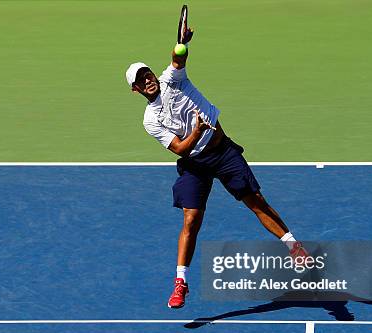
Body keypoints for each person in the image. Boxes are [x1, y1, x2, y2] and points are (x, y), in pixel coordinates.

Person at [126, 27, 308, 309]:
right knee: (191, 220)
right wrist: (197, 130)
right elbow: (180, 148)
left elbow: (177, 59)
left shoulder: (172, 80)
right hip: (195, 163)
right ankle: (180, 282)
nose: (147, 79)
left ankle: (293, 247)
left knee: (255, 201)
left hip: (222, 152)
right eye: (141, 80)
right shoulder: (150, 120)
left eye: (147, 73)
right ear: (135, 90)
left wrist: (181, 43)